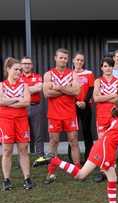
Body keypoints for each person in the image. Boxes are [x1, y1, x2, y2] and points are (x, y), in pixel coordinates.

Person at [36, 48, 81, 184]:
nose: (63, 60)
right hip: (54, 114)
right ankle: (51, 172)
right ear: (55, 58)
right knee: (53, 142)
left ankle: (78, 170)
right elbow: (47, 94)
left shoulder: (73, 73)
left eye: (65, 58)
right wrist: (67, 89)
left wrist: (58, 87)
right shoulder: (48, 74)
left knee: (73, 141)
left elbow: (76, 91)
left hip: (70, 113)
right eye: (60, 57)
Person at [0, 57, 33, 190]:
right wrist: (17, 99)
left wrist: (9, 101)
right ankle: (7, 180)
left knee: (23, 149)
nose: (19, 72)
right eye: (16, 69)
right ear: (8, 69)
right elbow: (0, 101)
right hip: (6, 120)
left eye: (20, 69)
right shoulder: (1, 85)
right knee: (7, 150)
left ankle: (27, 178)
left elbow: (26, 102)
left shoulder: (24, 85)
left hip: (21, 120)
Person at [93, 57, 118, 182]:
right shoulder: (98, 81)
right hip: (101, 116)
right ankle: (103, 170)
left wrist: (103, 97)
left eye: (110, 66)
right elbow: (96, 99)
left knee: (113, 144)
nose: (108, 68)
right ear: (101, 68)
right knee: (102, 144)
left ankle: (112, 170)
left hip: (114, 115)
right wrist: (112, 96)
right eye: (105, 66)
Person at [67, 52, 94, 163]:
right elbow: (67, 89)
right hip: (71, 106)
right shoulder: (68, 74)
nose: (79, 62)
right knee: (72, 132)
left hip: (85, 106)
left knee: (87, 131)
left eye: (81, 60)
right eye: (77, 60)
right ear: (73, 60)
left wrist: (84, 101)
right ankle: (73, 158)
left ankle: (89, 157)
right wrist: (75, 102)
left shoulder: (89, 73)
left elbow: (91, 89)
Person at [20, 56, 45, 159]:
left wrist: (22, 89)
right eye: (24, 63)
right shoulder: (17, 77)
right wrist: (31, 88)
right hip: (22, 108)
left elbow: (39, 87)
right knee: (22, 134)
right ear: (21, 65)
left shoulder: (37, 76)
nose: (27, 65)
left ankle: (40, 156)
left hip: (36, 107)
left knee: (38, 133)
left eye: (29, 63)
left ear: (32, 65)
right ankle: (23, 157)